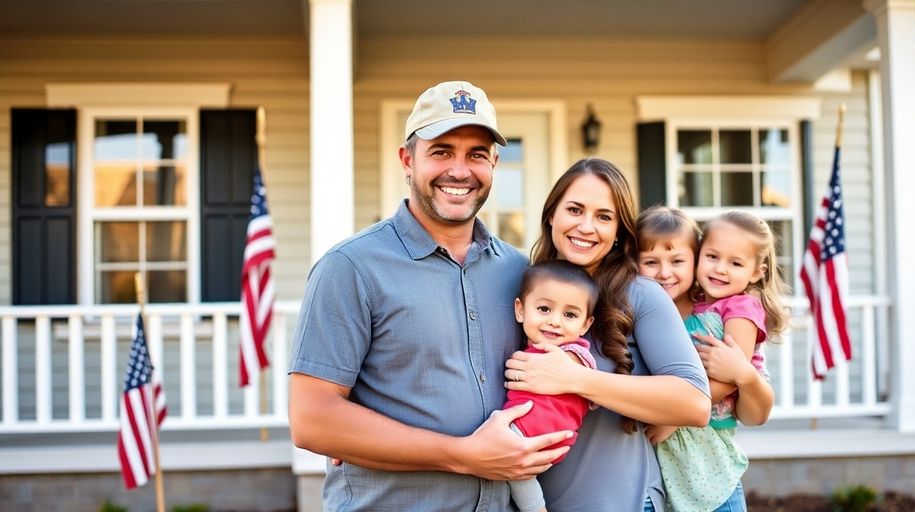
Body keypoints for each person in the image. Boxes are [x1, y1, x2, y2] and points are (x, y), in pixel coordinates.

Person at [288, 80, 573, 511]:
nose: (460, 171)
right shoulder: (351, 268)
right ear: (407, 159)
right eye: (441, 151)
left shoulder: (520, 272)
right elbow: (312, 421)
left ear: (495, 163)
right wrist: (462, 456)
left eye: (477, 154)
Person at [503, 158, 712, 512]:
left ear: (619, 231)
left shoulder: (641, 294)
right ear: (551, 214)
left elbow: (695, 402)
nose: (587, 226)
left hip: (622, 501)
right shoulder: (525, 285)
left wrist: (574, 378)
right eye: (575, 209)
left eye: (604, 216)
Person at [639, 209, 787, 512]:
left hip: (711, 469)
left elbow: (730, 377)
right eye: (713, 257)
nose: (720, 269)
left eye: (735, 263)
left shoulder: (737, 309)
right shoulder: (692, 312)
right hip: (665, 472)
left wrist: (674, 415)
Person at [502, 260, 600, 512]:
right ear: (521, 310)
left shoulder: (573, 354)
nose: (555, 321)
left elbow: (584, 379)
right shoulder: (532, 347)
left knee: (515, 471)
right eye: (544, 309)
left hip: (532, 436)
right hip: (527, 432)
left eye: (570, 315)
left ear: (586, 325)